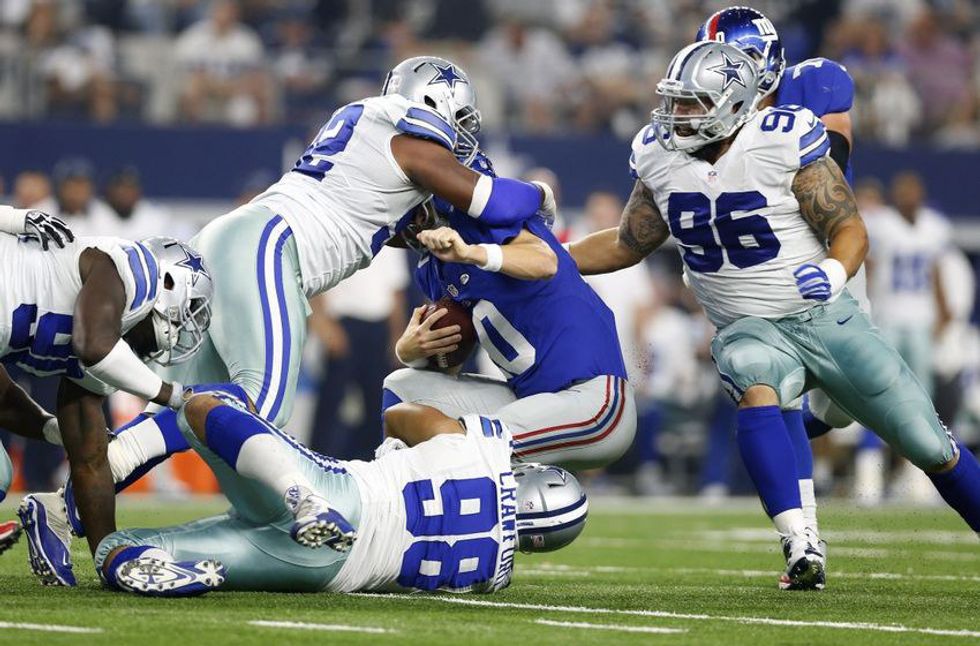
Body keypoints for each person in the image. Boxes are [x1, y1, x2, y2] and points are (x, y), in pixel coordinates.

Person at [22, 54, 556, 586]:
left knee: (197, 406)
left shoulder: (371, 129)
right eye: (459, 118)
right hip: (267, 246)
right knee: (259, 406)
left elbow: (370, 218)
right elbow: (490, 199)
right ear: (432, 101)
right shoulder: (408, 137)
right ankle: (302, 505)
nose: (461, 134)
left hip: (236, 238)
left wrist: (419, 228)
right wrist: (541, 194)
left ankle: (61, 508)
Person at [566, 40, 980, 590]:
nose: (675, 114)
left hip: (822, 317)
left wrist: (834, 270)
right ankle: (800, 541)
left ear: (735, 104)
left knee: (929, 444)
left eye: (691, 103)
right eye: (674, 101)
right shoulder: (659, 156)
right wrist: (554, 258)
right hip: (748, 328)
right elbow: (627, 242)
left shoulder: (781, 138)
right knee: (753, 382)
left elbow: (848, 226)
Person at [95, 386, 587, 597]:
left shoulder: (482, 447)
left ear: (531, 477)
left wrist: (397, 449)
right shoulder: (492, 579)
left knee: (205, 405)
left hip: (344, 501)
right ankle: (155, 565)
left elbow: (398, 415)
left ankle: (298, 494)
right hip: (324, 571)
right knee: (117, 550)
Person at [697, 5, 863, 563]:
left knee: (844, 408)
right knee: (776, 391)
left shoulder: (815, 84)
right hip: (759, 270)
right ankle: (804, 538)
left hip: (825, 256)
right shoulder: (703, 111)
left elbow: (834, 159)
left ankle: (792, 428)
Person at [382, 149, 635, 471]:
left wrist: (471, 252)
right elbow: (449, 360)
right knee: (403, 388)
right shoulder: (433, 266)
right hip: (528, 400)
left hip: (591, 399)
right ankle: (401, 485)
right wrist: (410, 350)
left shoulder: (486, 224)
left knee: (473, 449)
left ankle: (450, 490)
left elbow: (545, 262)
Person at [0, 221, 211, 579]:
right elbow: (93, 346)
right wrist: (174, 395)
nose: (181, 328)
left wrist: (110, 558)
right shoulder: (132, 270)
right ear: (168, 283)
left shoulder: (108, 335)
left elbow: (90, 459)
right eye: (188, 308)